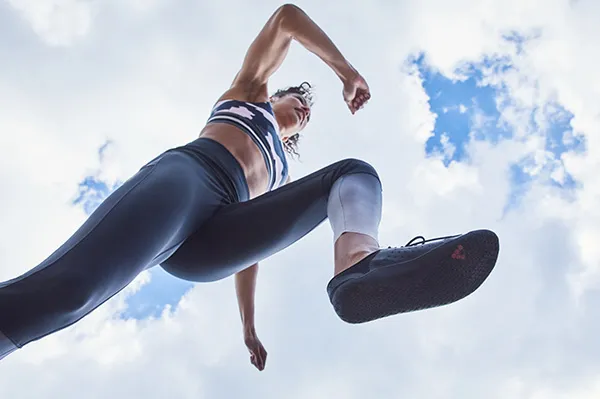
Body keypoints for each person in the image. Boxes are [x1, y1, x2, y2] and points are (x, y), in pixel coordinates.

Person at [0, 4, 499, 370]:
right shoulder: (249, 93)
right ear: (275, 93)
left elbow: (251, 252)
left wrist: (247, 325)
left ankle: (359, 264)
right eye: (297, 99)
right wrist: (344, 71)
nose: (303, 109)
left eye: (306, 116)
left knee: (352, 172)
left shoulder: (278, 170)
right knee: (73, 291)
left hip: (216, 240)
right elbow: (286, 16)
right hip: (192, 180)